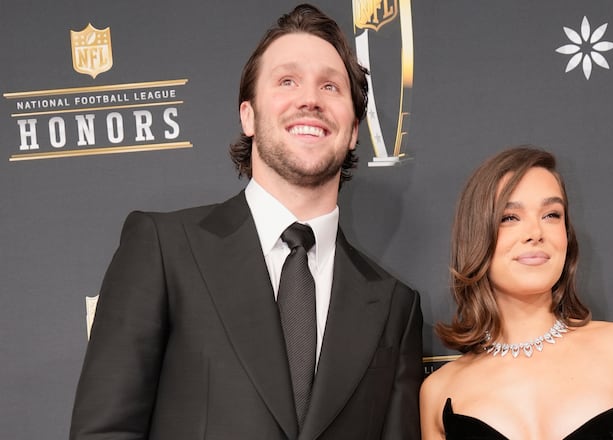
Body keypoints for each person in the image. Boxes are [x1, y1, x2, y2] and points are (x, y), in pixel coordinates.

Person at [69, 4, 422, 440]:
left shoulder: (394, 306)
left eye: (331, 86)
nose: (309, 99)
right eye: (287, 81)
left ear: (353, 130)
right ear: (248, 115)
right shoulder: (164, 249)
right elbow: (105, 431)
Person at [420, 147, 613, 439]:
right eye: (510, 217)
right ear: (476, 235)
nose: (536, 233)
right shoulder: (440, 391)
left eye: (551, 214)